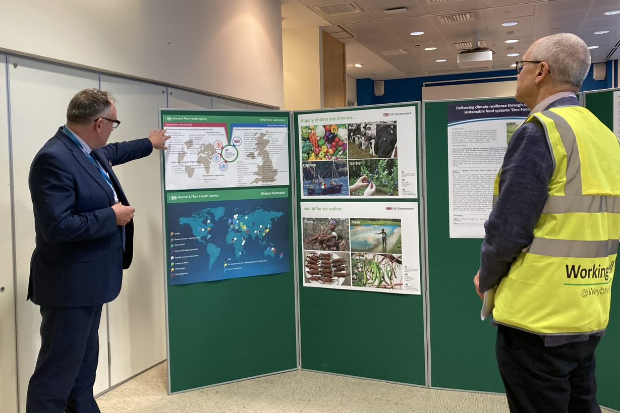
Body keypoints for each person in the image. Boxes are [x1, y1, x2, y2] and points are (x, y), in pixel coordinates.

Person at [473, 33, 620, 413]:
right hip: (587, 311)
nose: (517, 73)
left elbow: (509, 228)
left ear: (541, 71)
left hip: (537, 319)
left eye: (519, 65)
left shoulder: (542, 131)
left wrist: (486, 277)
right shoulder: (604, 136)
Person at [26, 88, 170, 413]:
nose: (113, 130)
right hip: (68, 288)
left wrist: (150, 143)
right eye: (114, 122)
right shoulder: (54, 158)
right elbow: (58, 227)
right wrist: (111, 217)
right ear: (99, 123)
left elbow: (117, 151)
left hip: (90, 283)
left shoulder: (88, 150)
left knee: (83, 366)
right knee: (57, 374)